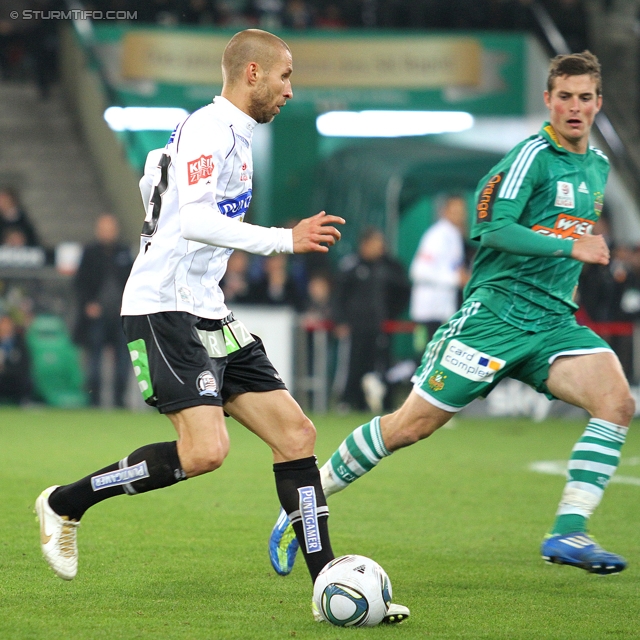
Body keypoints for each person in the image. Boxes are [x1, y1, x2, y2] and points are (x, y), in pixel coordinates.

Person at [34, 28, 407, 623]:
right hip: (163, 306)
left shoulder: (236, 133)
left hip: (208, 308)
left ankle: (327, 585)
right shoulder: (211, 129)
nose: (290, 89)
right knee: (206, 451)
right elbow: (201, 221)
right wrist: (285, 240)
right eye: (285, 76)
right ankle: (65, 502)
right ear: (252, 73)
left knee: (297, 436)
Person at [269, 51, 633, 580]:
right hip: (493, 320)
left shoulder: (597, 166)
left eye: (584, 98)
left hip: (553, 324)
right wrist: (569, 245)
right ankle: (302, 506)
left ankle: (568, 530)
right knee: (407, 428)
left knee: (616, 402)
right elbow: (493, 230)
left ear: (598, 103)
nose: (574, 107)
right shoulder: (528, 158)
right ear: (548, 100)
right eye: (564, 97)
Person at [333, 228, 410, 412]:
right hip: (355, 327)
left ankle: (384, 403)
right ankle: (348, 401)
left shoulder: (389, 267)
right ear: (364, 244)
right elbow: (338, 296)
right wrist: (340, 320)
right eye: (376, 244)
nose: (380, 248)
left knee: (382, 366)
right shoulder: (351, 266)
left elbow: (403, 290)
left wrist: (392, 313)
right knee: (353, 365)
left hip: (379, 326)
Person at [73, 214, 134, 408]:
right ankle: (94, 400)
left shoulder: (124, 252)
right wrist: (88, 304)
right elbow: (80, 283)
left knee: (123, 361)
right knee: (94, 361)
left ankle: (119, 400)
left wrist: (127, 305)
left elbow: (133, 281)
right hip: (96, 317)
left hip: (120, 316)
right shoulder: (89, 252)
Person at [409, 194, 470, 348]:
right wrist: (456, 279)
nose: (460, 215)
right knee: (424, 359)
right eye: (455, 211)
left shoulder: (454, 235)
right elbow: (418, 271)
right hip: (428, 313)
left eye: (462, 211)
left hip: (443, 312)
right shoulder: (436, 235)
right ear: (445, 211)